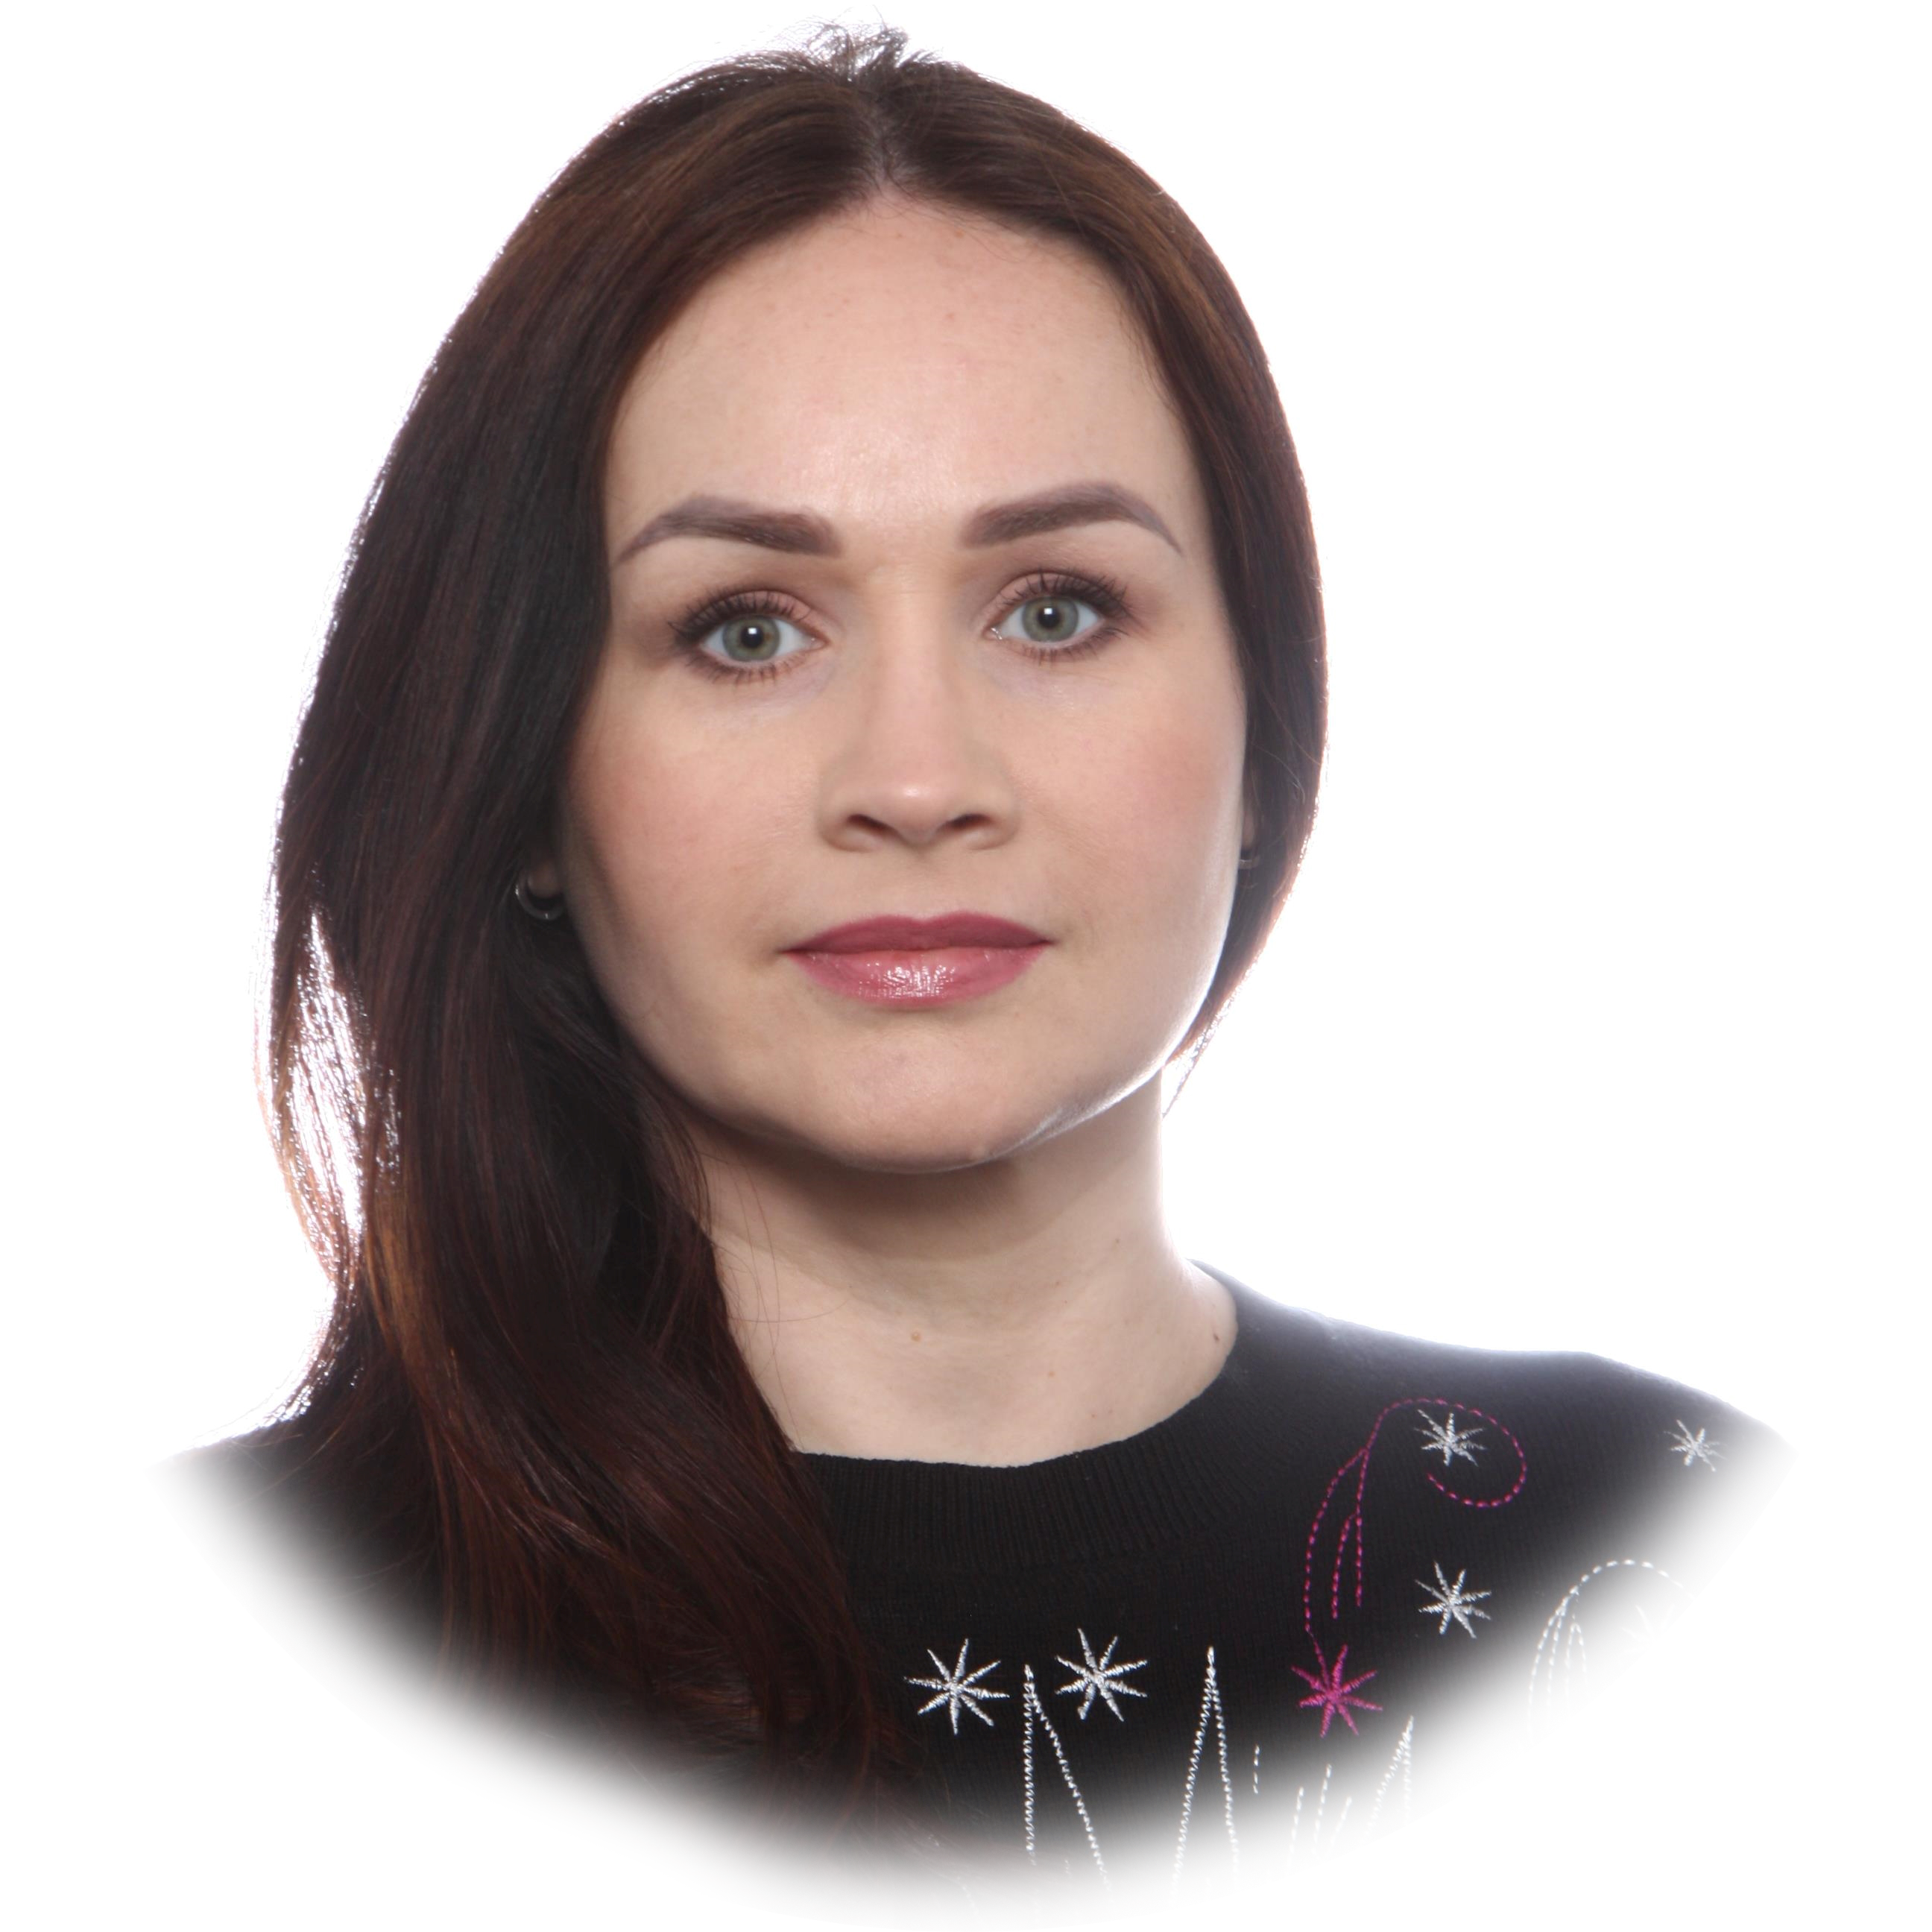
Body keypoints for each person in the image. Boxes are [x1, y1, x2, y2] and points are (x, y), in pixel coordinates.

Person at [187, 18, 1786, 1899]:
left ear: (1263, 727)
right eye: (746, 630)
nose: (917, 780)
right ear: (527, 772)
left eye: (1057, 609)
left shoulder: (1698, 1565)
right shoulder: (171, 1655)